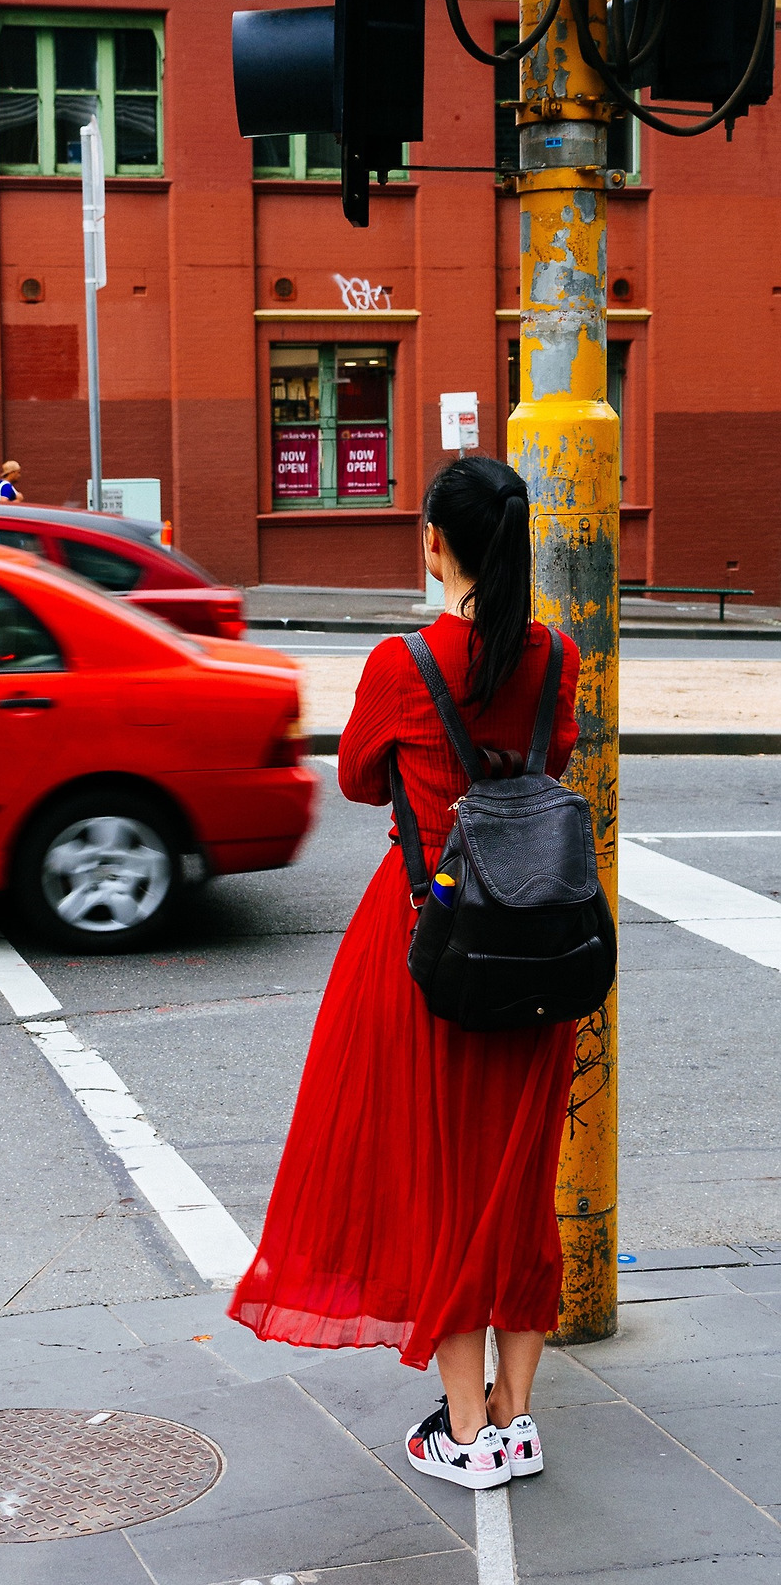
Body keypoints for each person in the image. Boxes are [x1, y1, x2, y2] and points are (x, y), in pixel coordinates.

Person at [227, 455, 583, 1494]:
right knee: (515, 1183)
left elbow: (353, 777)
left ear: (435, 541)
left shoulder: (402, 662)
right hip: (540, 948)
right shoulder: (556, 658)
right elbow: (553, 759)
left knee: (442, 1183)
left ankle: (464, 1429)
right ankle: (515, 1418)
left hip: (432, 945)